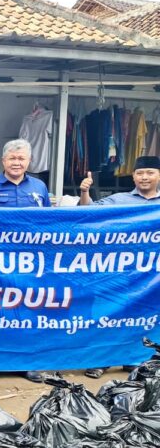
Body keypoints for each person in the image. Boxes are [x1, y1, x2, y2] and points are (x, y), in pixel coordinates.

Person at [0, 139, 50, 383]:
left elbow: (50, 223)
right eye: (12, 158)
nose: (17, 162)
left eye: (21, 158)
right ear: (3, 161)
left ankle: (26, 363)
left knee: (28, 312)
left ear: (29, 161)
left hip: (30, 264)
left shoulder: (39, 187)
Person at [79, 155, 160, 379]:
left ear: (159, 176)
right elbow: (87, 213)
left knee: (142, 317)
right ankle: (100, 361)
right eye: (140, 173)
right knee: (107, 315)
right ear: (133, 176)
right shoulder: (119, 200)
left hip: (151, 276)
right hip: (117, 272)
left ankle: (133, 360)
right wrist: (85, 192)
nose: (144, 177)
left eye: (150, 173)